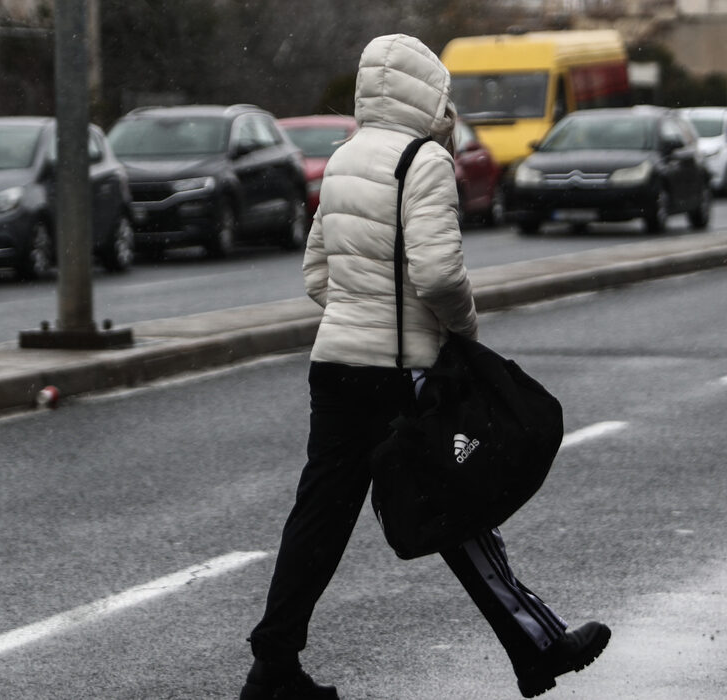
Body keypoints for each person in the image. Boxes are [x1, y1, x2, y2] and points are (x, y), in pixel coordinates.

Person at [239, 34, 610, 700]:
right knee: (456, 505)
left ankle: (274, 666)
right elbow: (439, 276)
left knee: (319, 517)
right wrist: (461, 332)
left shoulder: (345, 159)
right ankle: (538, 646)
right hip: (398, 369)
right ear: (427, 91)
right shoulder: (425, 162)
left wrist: (359, 308)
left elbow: (315, 275)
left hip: (335, 366)